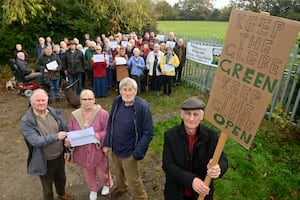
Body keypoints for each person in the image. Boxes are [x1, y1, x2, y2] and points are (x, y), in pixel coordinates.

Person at [162, 97, 228, 200]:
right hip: (176, 193)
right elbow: (168, 165)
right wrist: (191, 180)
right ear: (181, 114)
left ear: (202, 116)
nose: (191, 118)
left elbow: (223, 159)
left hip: (202, 193)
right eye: (188, 114)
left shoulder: (212, 136)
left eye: (195, 114)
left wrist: (219, 168)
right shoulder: (170, 135)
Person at [103, 77, 154, 199]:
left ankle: (141, 198)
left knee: (133, 179)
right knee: (118, 173)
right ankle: (121, 188)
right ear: (120, 91)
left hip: (130, 151)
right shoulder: (117, 101)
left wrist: (138, 152)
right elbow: (111, 122)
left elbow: (148, 132)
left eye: (130, 90)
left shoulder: (142, 107)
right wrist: (107, 143)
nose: (127, 93)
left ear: (135, 91)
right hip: (115, 148)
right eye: (124, 90)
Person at [20, 89, 73, 200]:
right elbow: (36, 141)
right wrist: (56, 136)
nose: (41, 103)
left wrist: (67, 150)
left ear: (47, 100)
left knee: (61, 178)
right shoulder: (26, 121)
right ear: (31, 101)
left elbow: (65, 130)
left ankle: (62, 195)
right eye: (37, 100)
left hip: (59, 156)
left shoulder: (54, 112)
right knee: (47, 187)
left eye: (43, 100)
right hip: (44, 160)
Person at [67, 89, 113, 200]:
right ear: (80, 101)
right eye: (84, 99)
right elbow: (70, 130)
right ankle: (93, 188)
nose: (87, 101)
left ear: (94, 100)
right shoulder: (74, 115)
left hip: (97, 149)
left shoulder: (102, 113)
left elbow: (108, 129)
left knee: (102, 170)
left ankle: (107, 183)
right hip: (82, 150)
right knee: (87, 171)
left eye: (90, 99)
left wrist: (101, 135)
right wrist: (69, 139)